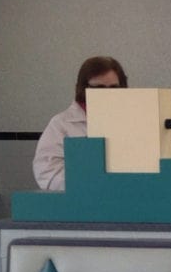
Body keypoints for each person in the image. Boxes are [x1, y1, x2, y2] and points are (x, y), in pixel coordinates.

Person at [33, 56, 128, 190]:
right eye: (99, 88)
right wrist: (87, 186)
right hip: (82, 197)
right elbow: (47, 172)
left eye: (114, 88)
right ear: (83, 88)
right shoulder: (62, 124)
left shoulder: (132, 121)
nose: (107, 94)